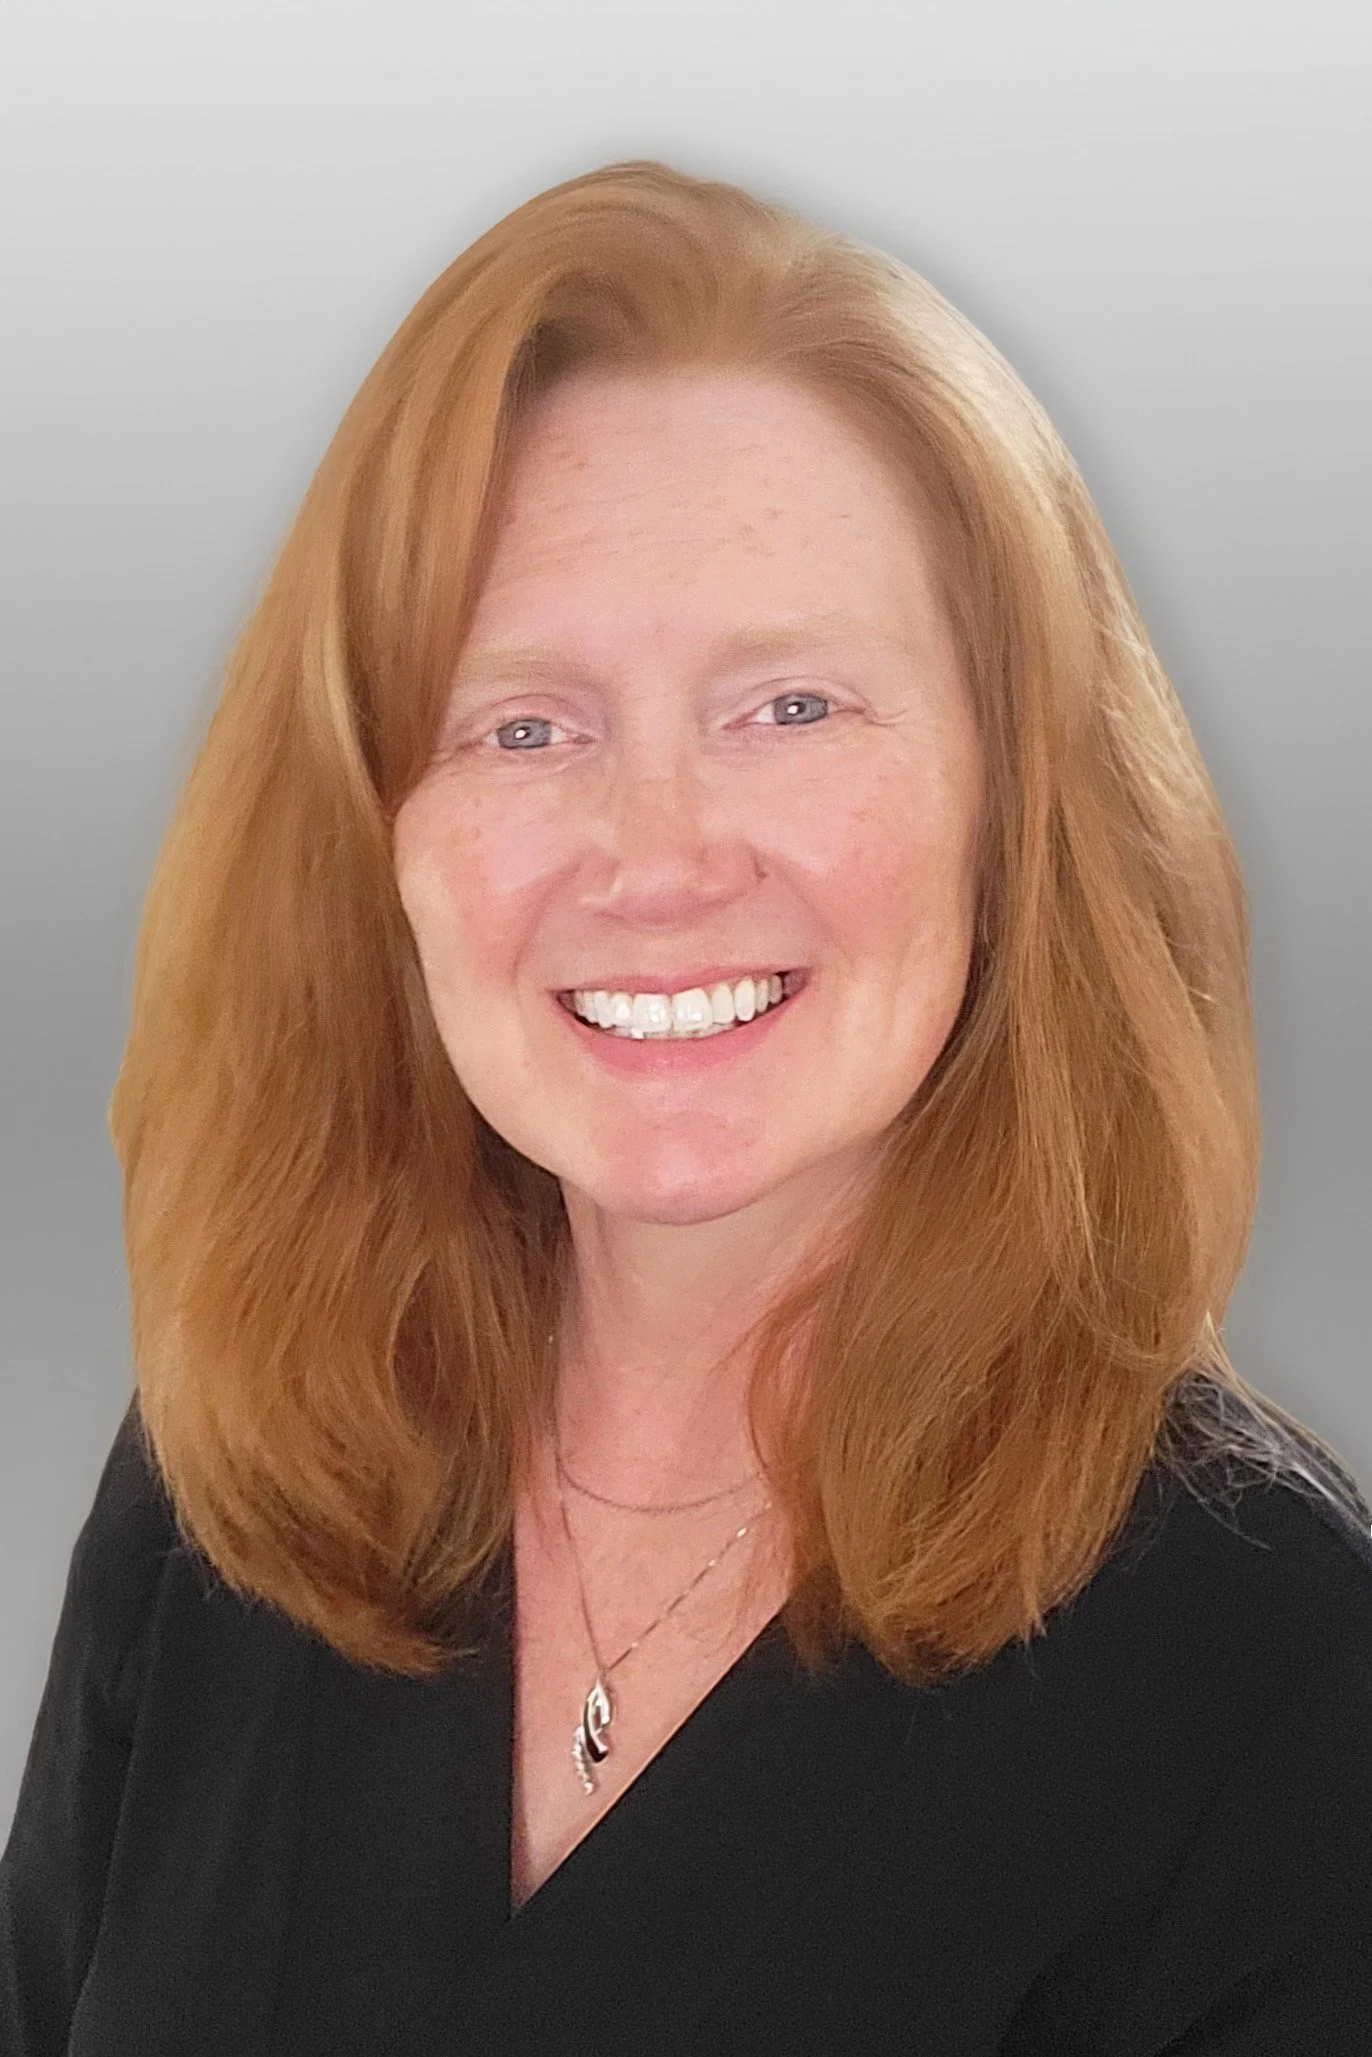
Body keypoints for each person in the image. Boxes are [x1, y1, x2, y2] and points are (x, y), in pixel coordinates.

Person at [2, 158, 1370, 2056]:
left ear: (1018, 806)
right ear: (372, 841)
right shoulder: (238, 1481)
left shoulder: (1289, 1685)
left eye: (791, 707)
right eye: (525, 725)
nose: (654, 858)